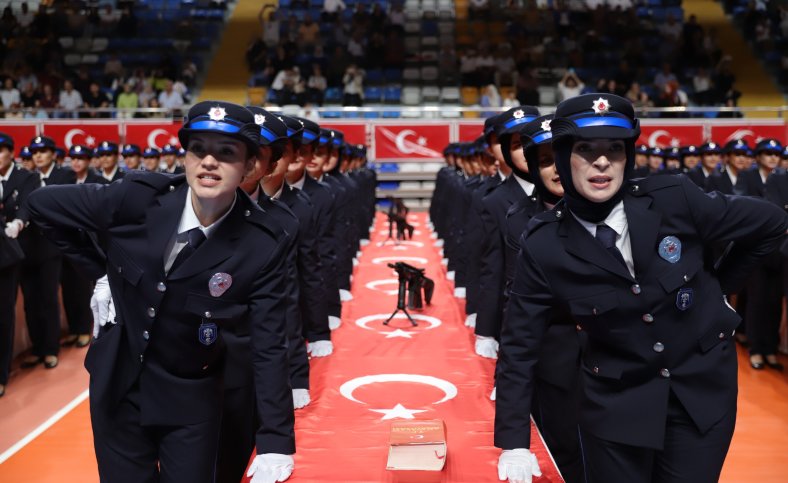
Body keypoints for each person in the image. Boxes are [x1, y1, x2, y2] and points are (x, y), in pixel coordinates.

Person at [495, 93, 788, 483]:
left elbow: (769, 223)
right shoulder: (544, 244)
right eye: (585, 149)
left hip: (700, 398)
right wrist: (514, 441)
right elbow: (520, 344)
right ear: (564, 157)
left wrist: (720, 286)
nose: (602, 161)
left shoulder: (673, 200)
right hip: (615, 407)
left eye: (614, 149)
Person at [27, 101, 296, 483]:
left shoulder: (262, 243)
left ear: (250, 166)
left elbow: (269, 343)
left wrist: (275, 438)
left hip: (191, 398)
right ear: (184, 158)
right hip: (117, 388)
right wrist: (101, 272)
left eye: (226, 152)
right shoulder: (136, 201)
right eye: (197, 149)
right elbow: (41, 206)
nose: (208, 162)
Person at [501, 114, 585, 483]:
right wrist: (513, 438)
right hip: (558, 374)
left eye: (565, 155)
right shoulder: (521, 222)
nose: (558, 169)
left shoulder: (629, 213)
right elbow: (520, 330)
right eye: (546, 160)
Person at [19, 136, 76, 371]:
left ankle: (51, 349)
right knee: (30, 302)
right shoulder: (26, 179)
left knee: (49, 299)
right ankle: (38, 348)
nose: (38, 155)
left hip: (52, 247)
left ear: (53, 153)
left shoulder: (65, 175)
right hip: (26, 248)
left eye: (43, 151)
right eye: (34, 152)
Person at [739, 139, 784, 371]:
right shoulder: (748, 177)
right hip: (756, 247)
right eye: (767, 153)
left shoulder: (784, 178)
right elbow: (743, 209)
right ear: (757, 156)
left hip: (781, 250)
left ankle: (770, 348)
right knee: (756, 299)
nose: (773, 158)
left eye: (776, 154)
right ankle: (756, 348)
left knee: (774, 302)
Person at [0, 132, 38, 397]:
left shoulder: (26, 176)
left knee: (3, 315)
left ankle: (1, 375)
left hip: (7, 252)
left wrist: (18, 222)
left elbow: (26, 205)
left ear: (11, 153)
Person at [60, 145, 107, 349]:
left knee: (86, 288)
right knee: (69, 288)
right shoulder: (66, 181)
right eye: (73, 158)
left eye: (81, 158)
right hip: (71, 241)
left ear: (89, 160)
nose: (76, 162)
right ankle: (74, 328)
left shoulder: (99, 182)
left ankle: (85, 328)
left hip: (92, 242)